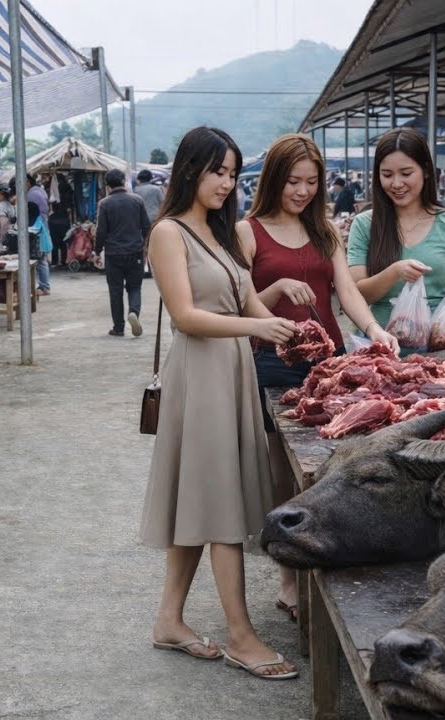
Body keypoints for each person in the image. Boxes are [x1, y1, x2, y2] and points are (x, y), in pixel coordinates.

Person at [141, 126, 299, 680]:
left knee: (199, 500)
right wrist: (257, 325)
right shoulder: (169, 233)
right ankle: (240, 635)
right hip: (200, 375)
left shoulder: (220, 233)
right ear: (190, 169)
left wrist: (278, 321)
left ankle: (169, 620)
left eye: (232, 173)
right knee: (220, 505)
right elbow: (185, 316)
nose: (226, 182)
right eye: (217, 170)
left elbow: (247, 297)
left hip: (232, 371)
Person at [237, 134, 400, 622]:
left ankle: (329, 566)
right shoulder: (249, 232)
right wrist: (278, 287)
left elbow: (346, 293)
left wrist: (373, 331)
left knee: (330, 469)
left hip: (328, 365)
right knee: (283, 473)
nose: (302, 191)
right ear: (273, 180)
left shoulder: (325, 230)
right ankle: (289, 581)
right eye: (293, 182)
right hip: (271, 363)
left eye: (311, 182)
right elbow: (241, 307)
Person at [348, 127, 445, 352]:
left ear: (426, 171)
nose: (396, 184)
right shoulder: (364, 224)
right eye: (387, 175)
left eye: (406, 173)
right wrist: (394, 272)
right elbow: (356, 294)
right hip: (380, 351)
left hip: (440, 349)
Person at [94, 168, 151, 337]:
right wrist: (146, 247)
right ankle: (133, 312)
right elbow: (146, 226)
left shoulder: (104, 203)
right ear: (124, 181)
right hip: (135, 252)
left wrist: (97, 252)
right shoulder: (137, 200)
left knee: (115, 290)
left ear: (108, 185)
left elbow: (101, 231)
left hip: (113, 254)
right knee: (134, 287)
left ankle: (118, 327)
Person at [29, 201, 53, 296]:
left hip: (40, 247)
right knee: (40, 265)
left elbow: (34, 230)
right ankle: (42, 286)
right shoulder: (36, 219)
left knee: (42, 264)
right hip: (38, 247)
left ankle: (45, 287)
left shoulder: (37, 220)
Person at [0, 183, 17, 249]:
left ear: (0, 194)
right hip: (11, 237)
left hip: (3, 241)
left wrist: (2, 243)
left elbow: (4, 225)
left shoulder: (0, 206)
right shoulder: (9, 205)